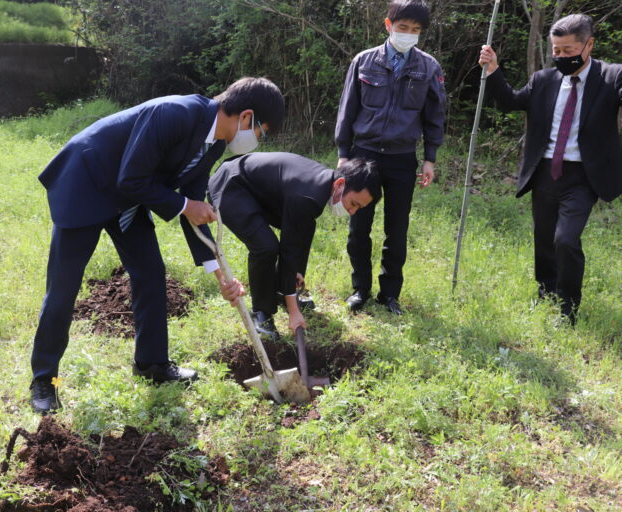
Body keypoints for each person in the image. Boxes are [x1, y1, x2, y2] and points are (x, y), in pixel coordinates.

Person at [29, 77, 285, 413]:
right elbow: (133, 178)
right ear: (246, 117)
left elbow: (193, 207)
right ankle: (45, 380)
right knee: (64, 285)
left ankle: (151, 363)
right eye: (261, 133)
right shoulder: (175, 113)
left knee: (150, 273)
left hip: (127, 199)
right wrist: (183, 205)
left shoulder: (214, 144)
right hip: (88, 184)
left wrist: (218, 274)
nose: (256, 141)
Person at [479, 14, 622, 324]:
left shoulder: (612, 76)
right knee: (544, 239)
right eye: (557, 51)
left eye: (568, 51)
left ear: (589, 45)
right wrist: (493, 70)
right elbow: (509, 102)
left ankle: (568, 307)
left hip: (583, 176)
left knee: (566, 239)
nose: (561, 57)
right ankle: (546, 293)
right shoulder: (544, 80)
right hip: (545, 171)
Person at [335, 0, 446, 315]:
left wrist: (430, 159)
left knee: (396, 230)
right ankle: (360, 290)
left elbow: (435, 117)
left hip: (402, 157)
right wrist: (344, 155)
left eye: (415, 30)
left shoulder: (428, 67)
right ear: (388, 25)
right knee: (359, 227)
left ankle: (389, 295)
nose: (408, 34)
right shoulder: (363, 61)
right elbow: (347, 110)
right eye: (402, 28)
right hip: (364, 155)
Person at [208, 153, 381, 339]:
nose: (352, 211)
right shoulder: (308, 195)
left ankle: (283, 290)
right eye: (353, 203)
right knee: (266, 246)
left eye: (358, 208)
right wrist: (294, 311)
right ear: (340, 184)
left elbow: (298, 232)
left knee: (307, 225)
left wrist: (295, 272)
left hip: (258, 190)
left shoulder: (322, 184)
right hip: (231, 187)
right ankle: (262, 314)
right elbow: (288, 249)